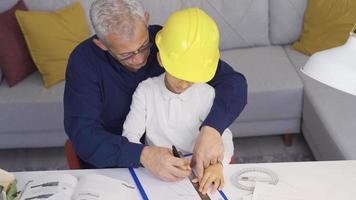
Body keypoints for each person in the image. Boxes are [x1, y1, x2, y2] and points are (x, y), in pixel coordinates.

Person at [64, 0, 247, 182]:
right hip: (113, 163)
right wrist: (142, 155)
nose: (139, 59)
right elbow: (83, 134)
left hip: (177, 159)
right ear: (102, 45)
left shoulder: (168, 41)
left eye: (144, 45)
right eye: (126, 55)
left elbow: (234, 83)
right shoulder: (83, 62)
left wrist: (212, 129)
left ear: (146, 19)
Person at [122, 8, 234, 194]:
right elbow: (130, 136)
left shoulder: (206, 94)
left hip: (200, 173)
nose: (183, 84)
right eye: (178, 74)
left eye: (191, 78)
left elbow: (224, 137)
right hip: (157, 173)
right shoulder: (145, 91)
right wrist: (146, 157)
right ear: (161, 59)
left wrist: (218, 165)